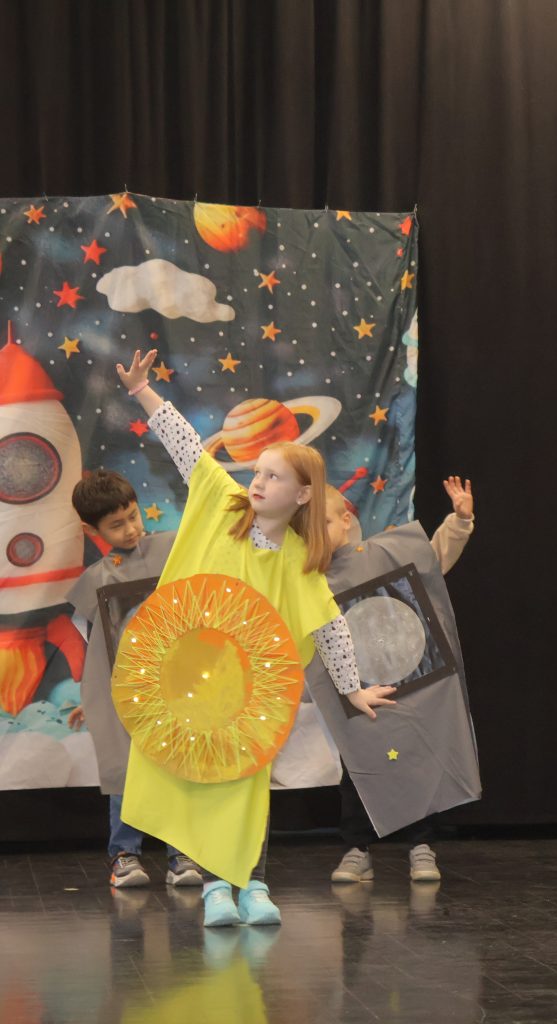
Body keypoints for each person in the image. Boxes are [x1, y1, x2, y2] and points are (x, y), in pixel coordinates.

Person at [114, 348, 395, 926]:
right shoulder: (223, 504)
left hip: (249, 701)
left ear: (302, 495)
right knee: (201, 783)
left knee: (247, 789)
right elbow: (186, 446)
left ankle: (254, 884)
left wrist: (352, 690)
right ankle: (216, 886)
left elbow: (328, 624)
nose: (259, 481)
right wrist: (143, 391)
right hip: (193, 684)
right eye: (258, 471)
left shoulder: (298, 559)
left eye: (273, 476)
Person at [325, 478, 478, 885]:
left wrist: (459, 522)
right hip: (359, 690)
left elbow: (431, 559)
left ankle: (420, 843)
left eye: (325, 523)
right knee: (357, 767)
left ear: (345, 520)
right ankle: (357, 848)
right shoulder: (313, 578)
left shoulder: (384, 554)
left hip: (406, 679)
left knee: (415, 759)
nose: (318, 534)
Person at [66, 470, 199, 889]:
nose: (130, 529)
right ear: (92, 530)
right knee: (125, 770)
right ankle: (125, 853)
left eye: (132, 516)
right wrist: (93, 698)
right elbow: (100, 647)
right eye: (116, 524)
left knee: (178, 765)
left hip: (176, 683)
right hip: (127, 690)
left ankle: (182, 851)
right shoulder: (97, 579)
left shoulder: (172, 550)